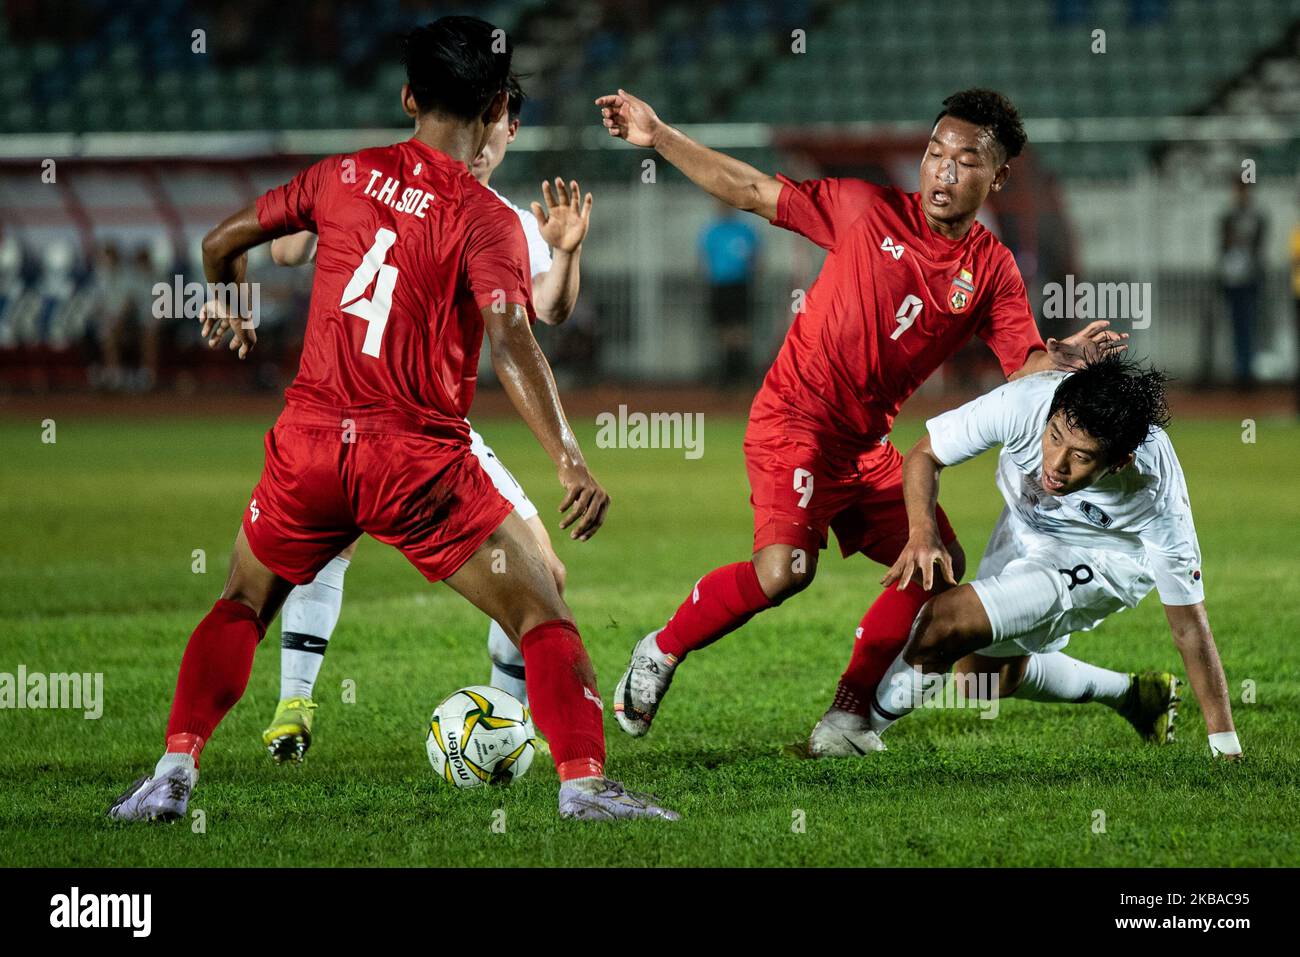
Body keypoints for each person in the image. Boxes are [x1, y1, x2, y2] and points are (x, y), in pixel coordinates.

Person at [108, 16, 676, 823]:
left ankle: (172, 771)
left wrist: (228, 302)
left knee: (240, 599)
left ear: (409, 96)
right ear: (491, 113)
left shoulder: (342, 174)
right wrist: (570, 458)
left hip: (307, 447)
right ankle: (583, 782)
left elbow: (219, 240)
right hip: (414, 457)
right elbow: (514, 339)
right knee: (541, 606)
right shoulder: (481, 215)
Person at [595, 86, 1125, 740]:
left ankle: (847, 711)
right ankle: (662, 647)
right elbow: (755, 192)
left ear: (998, 175)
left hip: (865, 446)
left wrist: (1061, 355)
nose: (944, 171)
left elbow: (1024, 368)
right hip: (795, 421)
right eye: (935, 154)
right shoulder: (863, 210)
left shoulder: (990, 269)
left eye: (965, 160)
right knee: (785, 571)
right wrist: (660, 134)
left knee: (937, 562)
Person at [260, 74, 593, 763]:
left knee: (546, 576)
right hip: (358, 413)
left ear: (506, 129)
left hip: (435, 428)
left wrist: (565, 250)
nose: (480, 138)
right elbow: (287, 248)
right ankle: (294, 703)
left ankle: (505, 722)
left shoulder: (499, 218)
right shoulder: (380, 188)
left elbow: (549, 310)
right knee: (331, 539)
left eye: (491, 124)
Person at [822, 356, 1241, 762]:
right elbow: (924, 455)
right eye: (1054, 437)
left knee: (947, 620)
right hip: (1027, 526)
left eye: (1081, 456)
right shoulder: (1024, 404)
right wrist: (922, 532)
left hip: (1104, 558)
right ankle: (1135, 696)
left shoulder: (1155, 494)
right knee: (981, 681)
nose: (1056, 464)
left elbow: (1188, 624)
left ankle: (853, 736)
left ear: (1120, 461)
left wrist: (1225, 744)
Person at [1210, 180, 1267, 389]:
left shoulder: (1257, 217)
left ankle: (1247, 371)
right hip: (1232, 280)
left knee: (1249, 326)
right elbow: (1223, 246)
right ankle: (1240, 371)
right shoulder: (1228, 218)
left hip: (1250, 279)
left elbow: (1258, 246)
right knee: (1236, 327)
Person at [698, 200, 761, 385]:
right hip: (719, 284)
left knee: (740, 328)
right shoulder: (712, 232)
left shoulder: (745, 230)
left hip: (740, 284)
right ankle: (727, 372)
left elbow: (756, 258)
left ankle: (740, 371)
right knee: (723, 328)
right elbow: (704, 259)